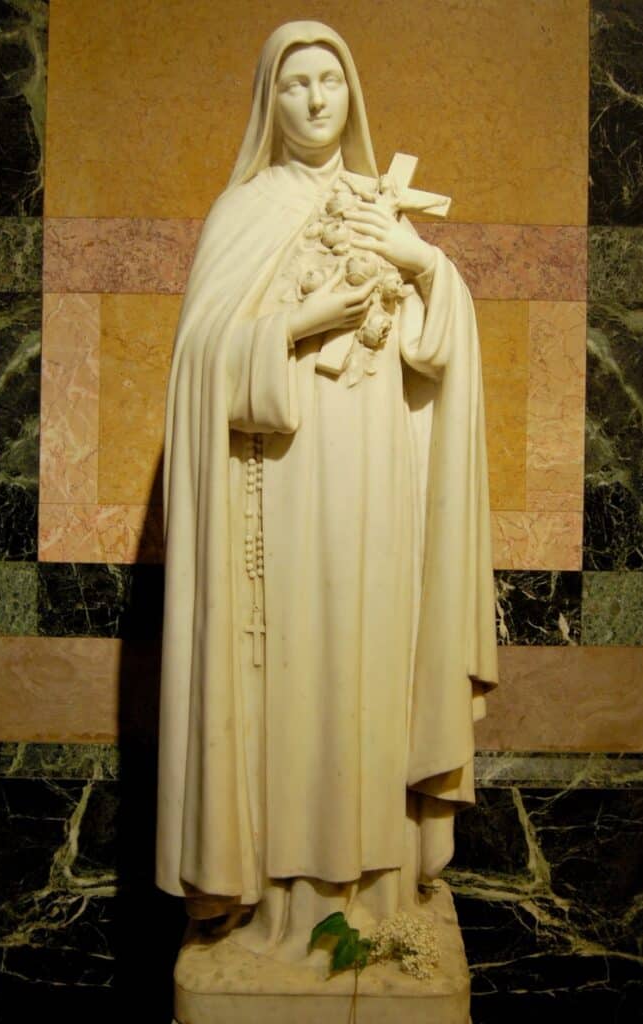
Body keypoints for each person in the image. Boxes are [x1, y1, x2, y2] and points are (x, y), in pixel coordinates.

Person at [156, 20, 497, 961]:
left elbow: (440, 348)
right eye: (296, 83)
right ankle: (283, 900)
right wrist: (304, 320)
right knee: (295, 673)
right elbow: (200, 372)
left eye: (330, 82)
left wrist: (420, 260)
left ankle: (377, 886)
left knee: (374, 661)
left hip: (380, 474)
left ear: (351, 96)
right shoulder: (243, 212)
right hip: (282, 489)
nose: (314, 100)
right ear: (271, 99)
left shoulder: (375, 202)